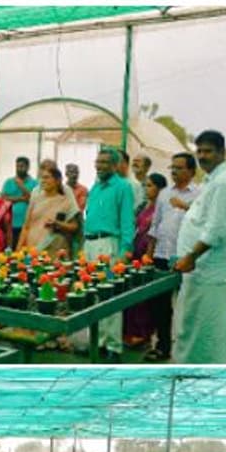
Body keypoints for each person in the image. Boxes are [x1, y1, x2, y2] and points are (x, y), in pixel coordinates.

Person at [174, 130, 226, 364]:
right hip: (198, 271)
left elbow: (215, 230)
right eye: (199, 151)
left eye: (208, 151)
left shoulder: (224, 182)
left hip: (209, 272)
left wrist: (191, 256)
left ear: (222, 153)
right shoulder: (212, 180)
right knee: (192, 328)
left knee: (207, 334)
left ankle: (207, 383)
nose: (202, 156)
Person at [142, 152, 201, 362]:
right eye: (172, 167)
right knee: (160, 306)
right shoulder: (164, 194)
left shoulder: (199, 194)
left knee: (188, 306)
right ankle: (163, 346)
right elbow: (155, 225)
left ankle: (187, 351)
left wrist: (186, 206)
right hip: (161, 256)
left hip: (186, 258)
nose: (174, 171)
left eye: (179, 167)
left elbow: (203, 223)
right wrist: (149, 254)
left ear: (192, 171)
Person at [83, 148, 136, 361]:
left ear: (115, 166)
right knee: (93, 295)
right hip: (90, 244)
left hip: (109, 245)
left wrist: (126, 250)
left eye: (105, 162)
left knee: (110, 296)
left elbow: (127, 221)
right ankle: (98, 341)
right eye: (98, 161)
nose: (100, 165)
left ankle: (113, 346)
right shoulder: (95, 187)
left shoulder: (123, 187)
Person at [124, 172, 168, 347]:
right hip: (135, 253)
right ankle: (130, 331)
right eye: (145, 185)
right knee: (131, 294)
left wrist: (149, 254)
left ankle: (144, 334)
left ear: (160, 189)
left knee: (145, 299)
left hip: (150, 255)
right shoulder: (143, 206)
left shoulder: (163, 208)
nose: (146, 189)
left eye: (150, 185)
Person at [18, 165, 81, 256]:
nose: (43, 181)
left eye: (47, 178)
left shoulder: (65, 200)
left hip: (54, 250)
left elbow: (74, 226)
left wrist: (58, 223)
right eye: (41, 178)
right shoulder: (36, 197)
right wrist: (18, 249)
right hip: (32, 248)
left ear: (57, 180)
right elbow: (26, 226)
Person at [1, 157, 37, 250]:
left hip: (27, 224)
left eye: (22, 166)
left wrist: (21, 186)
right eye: (17, 166)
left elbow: (33, 199)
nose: (19, 169)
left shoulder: (34, 183)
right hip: (11, 224)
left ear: (28, 167)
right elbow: (3, 198)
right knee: (12, 249)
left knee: (25, 250)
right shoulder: (9, 182)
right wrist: (21, 198)